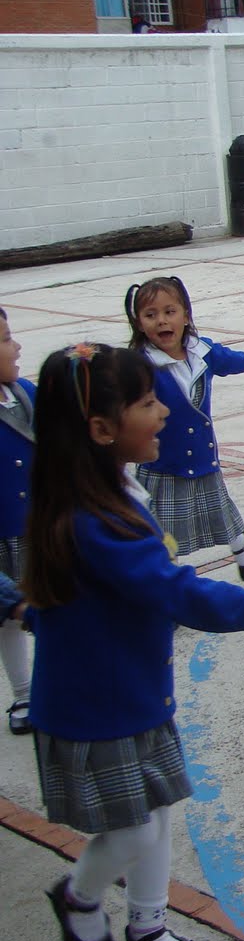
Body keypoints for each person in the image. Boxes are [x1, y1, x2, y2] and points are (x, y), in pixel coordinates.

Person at [28, 344, 244, 941]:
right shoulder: (95, 521)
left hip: (135, 695)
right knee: (134, 830)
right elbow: (176, 591)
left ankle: (148, 926)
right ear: (102, 430)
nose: (164, 411)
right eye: (146, 403)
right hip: (95, 707)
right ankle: (79, 896)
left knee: (156, 816)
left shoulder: (115, 489)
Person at [125, 276, 244, 579]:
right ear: (139, 323)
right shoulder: (139, 365)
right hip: (162, 463)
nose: (161, 321)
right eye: (150, 315)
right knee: (161, 533)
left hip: (203, 455)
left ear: (186, 316)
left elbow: (227, 359)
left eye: (169, 311)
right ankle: (168, 585)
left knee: (221, 514)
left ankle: (242, 544)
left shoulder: (201, 351)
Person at [0, 307, 33, 734]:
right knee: (8, 617)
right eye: (7, 340)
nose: (18, 346)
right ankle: (23, 692)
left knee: (56, 603)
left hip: (39, 529)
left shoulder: (24, 392)